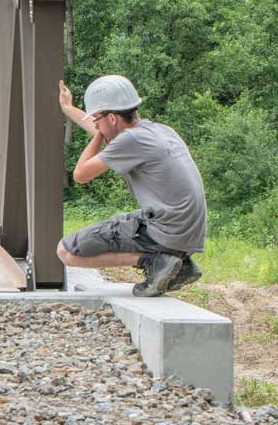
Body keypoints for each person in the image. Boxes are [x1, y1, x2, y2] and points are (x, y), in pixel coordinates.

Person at [56, 76, 207, 297]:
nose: (95, 125)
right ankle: (179, 264)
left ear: (113, 118)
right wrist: (69, 109)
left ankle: (154, 261)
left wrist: (97, 136)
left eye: (97, 119)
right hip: (186, 230)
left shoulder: (131, 141)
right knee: (123, 220)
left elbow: (80, 174)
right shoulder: (159, 131)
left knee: (67, 251)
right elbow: (104, 129)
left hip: (165, 231)